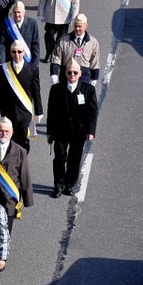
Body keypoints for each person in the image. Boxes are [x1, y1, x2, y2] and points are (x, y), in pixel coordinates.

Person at [46, 59, 98, 198]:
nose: (72, 75)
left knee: (74, 159)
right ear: (65, 73)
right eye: (69, 72)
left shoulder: (88, 90)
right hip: (60, 131)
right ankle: (58, 185)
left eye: (75, 72)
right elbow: (51, 111)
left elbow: (92, 112)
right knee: (59, 158)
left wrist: (90, 131)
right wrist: (49, 132)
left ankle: (69, 185)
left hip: (78, 132)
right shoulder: (56, 89)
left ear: (80, 73)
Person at [0, 41, 43, 152]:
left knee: (22, 139)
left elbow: (36, 92)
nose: (16, 54)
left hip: (25, 112)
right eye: (14, 52)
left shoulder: (33, 69)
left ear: (24, 52)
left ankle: (22, 162)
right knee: (8, 139)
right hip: (8, 111)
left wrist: (39, 111)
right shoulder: (4, 68)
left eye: (19, 52)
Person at [50, 13, 100, 86]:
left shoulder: (93, 42)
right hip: (66, 74)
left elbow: (95, 60)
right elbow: (56, 56)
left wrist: (94, 77)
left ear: (86, 26)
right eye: (75, 26)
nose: (77, 29)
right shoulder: (64, 40)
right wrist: (54, 73)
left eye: (80, 26)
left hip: (84, 76)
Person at [0, 0, 41, 65]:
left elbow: (35, 45)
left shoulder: (32, 24)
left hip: (27, 63)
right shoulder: (6, 24)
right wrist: (2, 63)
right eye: (15, 12)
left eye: (19, 12)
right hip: (10, 63)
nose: (17, 15)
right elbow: (1, 45)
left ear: (24, 13)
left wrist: (34, 64)